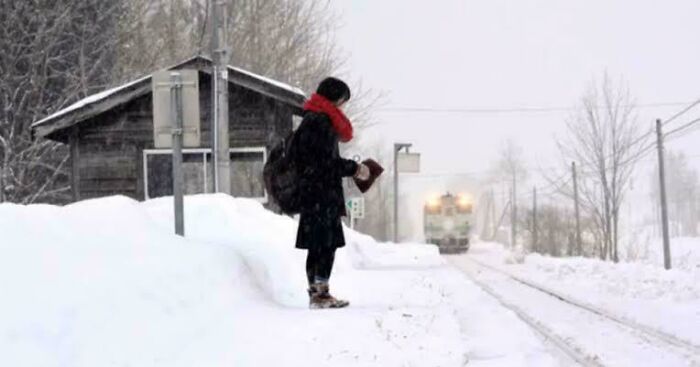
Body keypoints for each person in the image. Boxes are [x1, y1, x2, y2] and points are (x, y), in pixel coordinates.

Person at [294, 77, 370, 309]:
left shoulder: (310, 120)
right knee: (326, 244)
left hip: (311, 194)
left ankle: (316, 294)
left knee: (317, 244)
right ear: (334, 98)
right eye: (342, 101)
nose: (342, 107)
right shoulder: (322, 122)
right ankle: (321, 294)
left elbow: (315, 161)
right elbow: (327, 163)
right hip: (322, 195)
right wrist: (355, 169)